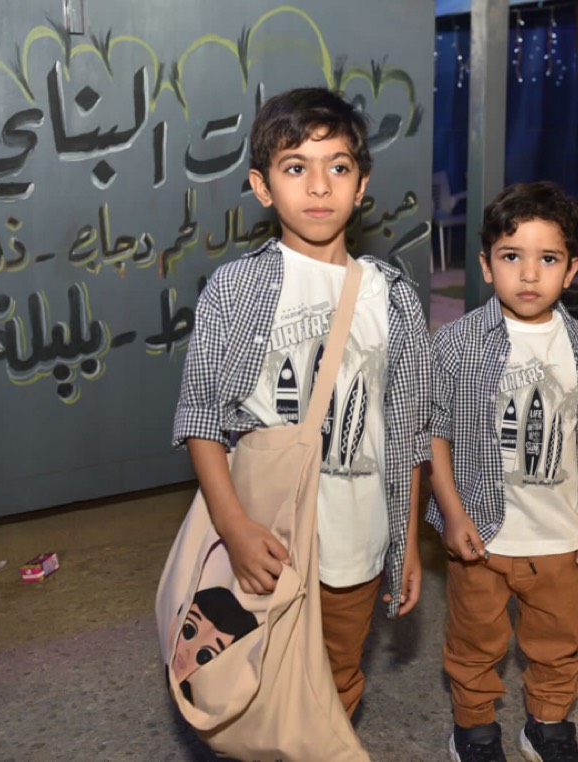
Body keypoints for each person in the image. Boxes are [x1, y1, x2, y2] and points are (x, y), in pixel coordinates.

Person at [171, 87, 431, 720]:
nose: (319, 186)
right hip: (265, 535)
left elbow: (408, 431)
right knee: (250, 679)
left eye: (337, 167)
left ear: (361, 185)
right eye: (296, 167)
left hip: (357, 539)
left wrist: (407, 541)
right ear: (262, 187)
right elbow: (201, 417)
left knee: (335, 677)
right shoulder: (236, 289)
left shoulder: (394, 298)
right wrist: (234, 528)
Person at [427, 181, 578, 762]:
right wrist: (452, 514)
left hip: (560, 536)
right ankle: (474, 731)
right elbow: (433, 435)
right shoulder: (457, 344)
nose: (530, 274)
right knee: (474, 643)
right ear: (487, 266)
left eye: (549, 259)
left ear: (572, 270)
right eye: (512, 256)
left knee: (558, 642)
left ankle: (547, 726)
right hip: (482, 537)